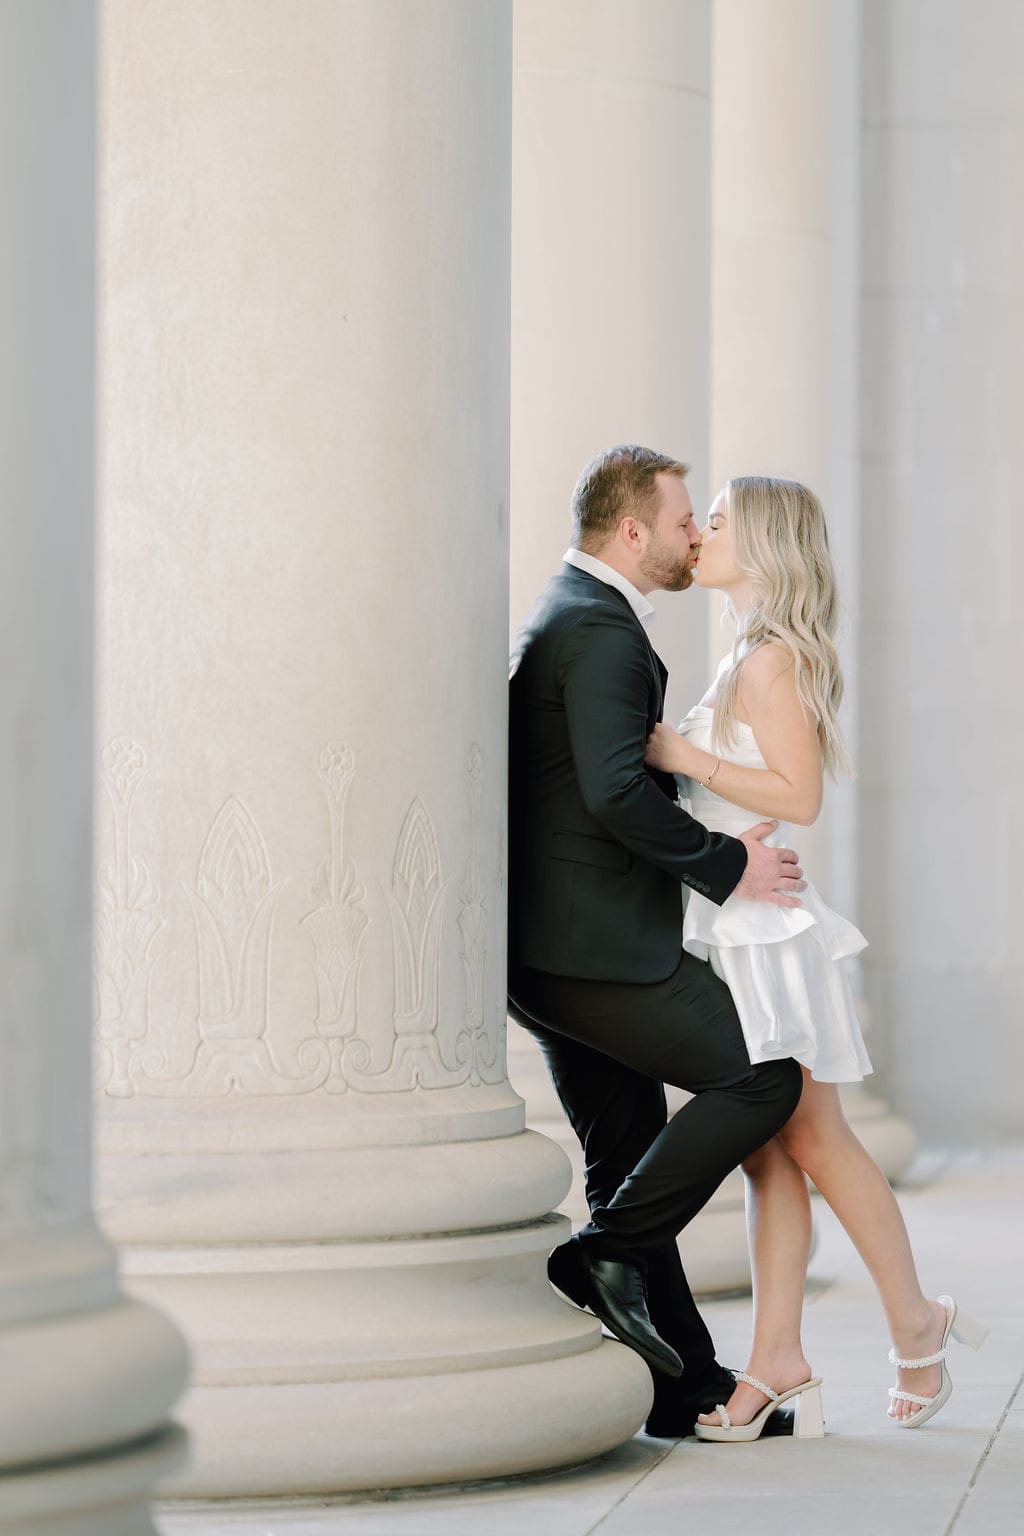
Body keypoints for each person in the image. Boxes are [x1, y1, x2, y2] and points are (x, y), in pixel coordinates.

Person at [644, 475, 986, 1442]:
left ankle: (914, 1326)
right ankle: (779, 1361)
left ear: (762, 543)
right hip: (739, 917)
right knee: (768, 1151)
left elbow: (798, 797)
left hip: (769, 936)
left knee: (815, 1140)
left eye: (718, 520)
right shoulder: (749, 652)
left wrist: (681, 758)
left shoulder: (769, 661)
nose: (701, 533)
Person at [507, 445, 805, 1437]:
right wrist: (726, 865)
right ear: (630, 532)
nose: (693, 536)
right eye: (683, 520)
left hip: (557, 949)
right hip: (589, 951)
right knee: (765, 1075)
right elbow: (612, 788)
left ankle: (687, 1387)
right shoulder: (598, 630)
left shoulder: (572, 611)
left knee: (628, 1146)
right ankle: (605, 1251)